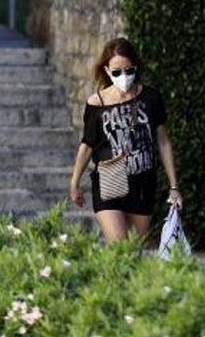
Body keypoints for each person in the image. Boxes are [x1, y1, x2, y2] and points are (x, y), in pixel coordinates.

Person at [68, 37, 183, 243]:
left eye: (129, 70)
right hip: (110, 178)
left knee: (133, 250)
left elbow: (163, 142)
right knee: (119, 247)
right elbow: (87, 145)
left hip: (143, 182)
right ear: (106, 71)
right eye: (117, 72)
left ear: (136, 68)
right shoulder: (96, 103)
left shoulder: (151, 98)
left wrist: (174, 187)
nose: (124, 76)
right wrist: (75, 182)